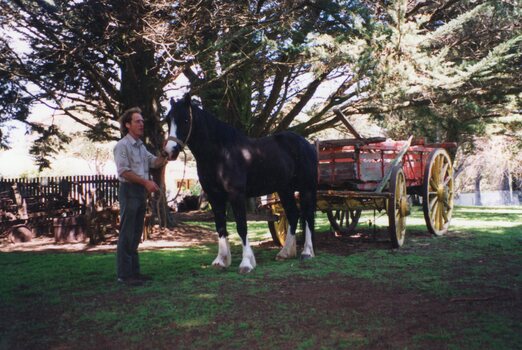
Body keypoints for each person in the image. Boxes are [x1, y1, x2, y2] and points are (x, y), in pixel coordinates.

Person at [113, 107, 167, 286]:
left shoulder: (141, 147)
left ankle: (134, 273)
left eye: (142, 121)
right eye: (137, 121)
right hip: (129, 191)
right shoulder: (122, 146)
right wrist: (146, 183)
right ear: (127, 125)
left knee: (136, 233)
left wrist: (166, 153)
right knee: (127, 233)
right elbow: (124, 172)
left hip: (140, 193)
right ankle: (124, 275)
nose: (141, 124)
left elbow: (155, 162)